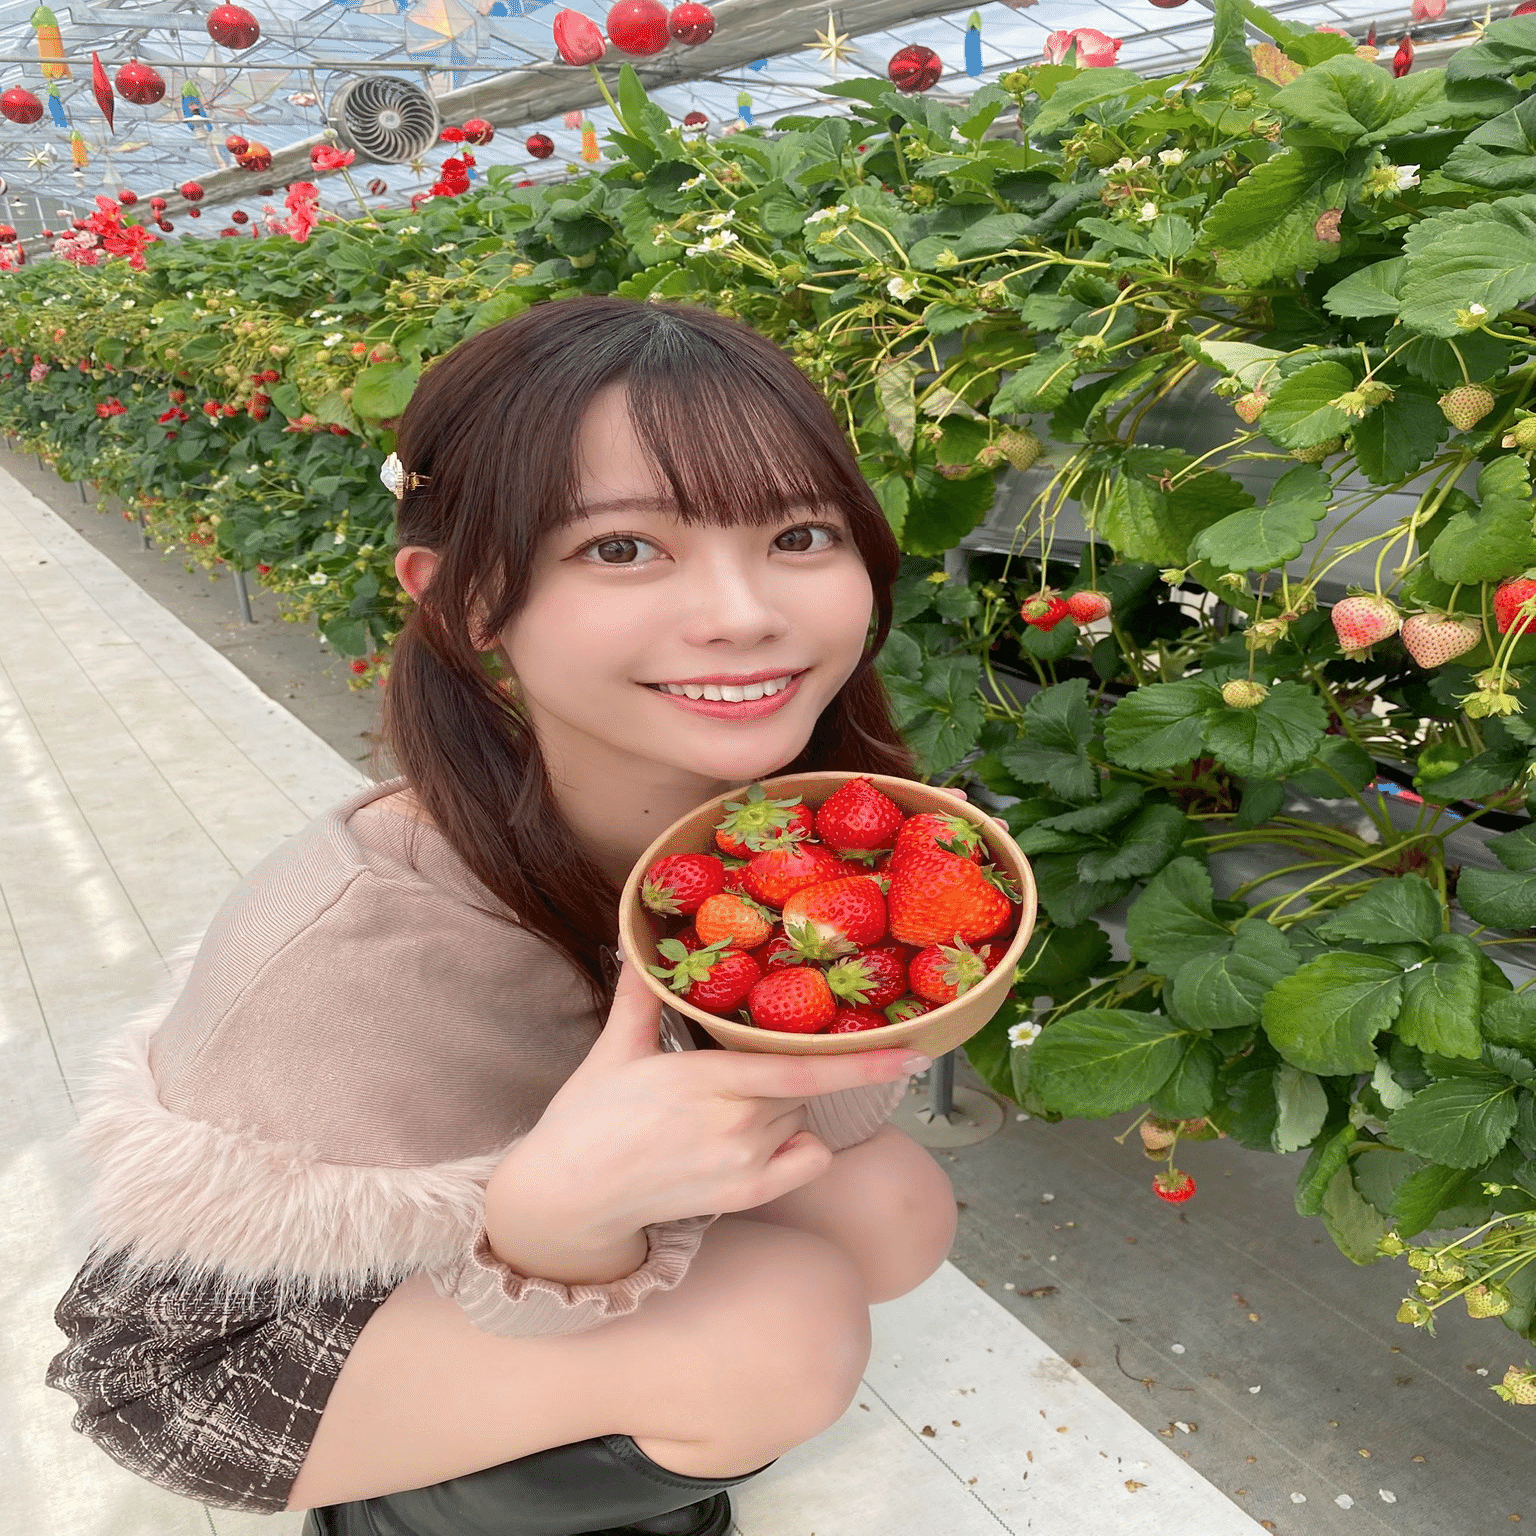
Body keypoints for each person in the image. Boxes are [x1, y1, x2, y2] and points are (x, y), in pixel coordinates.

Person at [45, 294, 960, 1536]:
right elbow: (167, 1346)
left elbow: (828, 1118)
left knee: (890, 1206)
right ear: (467, 599)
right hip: (227, 1354)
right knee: (779, 1328)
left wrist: (889, 975)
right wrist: (549, 1228)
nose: (747, 613)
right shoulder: (355, 938)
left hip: (504, 1234)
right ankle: (415, 1506)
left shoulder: (774, 852)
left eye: (800, 533)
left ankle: (584, 1414)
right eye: (624, 548)